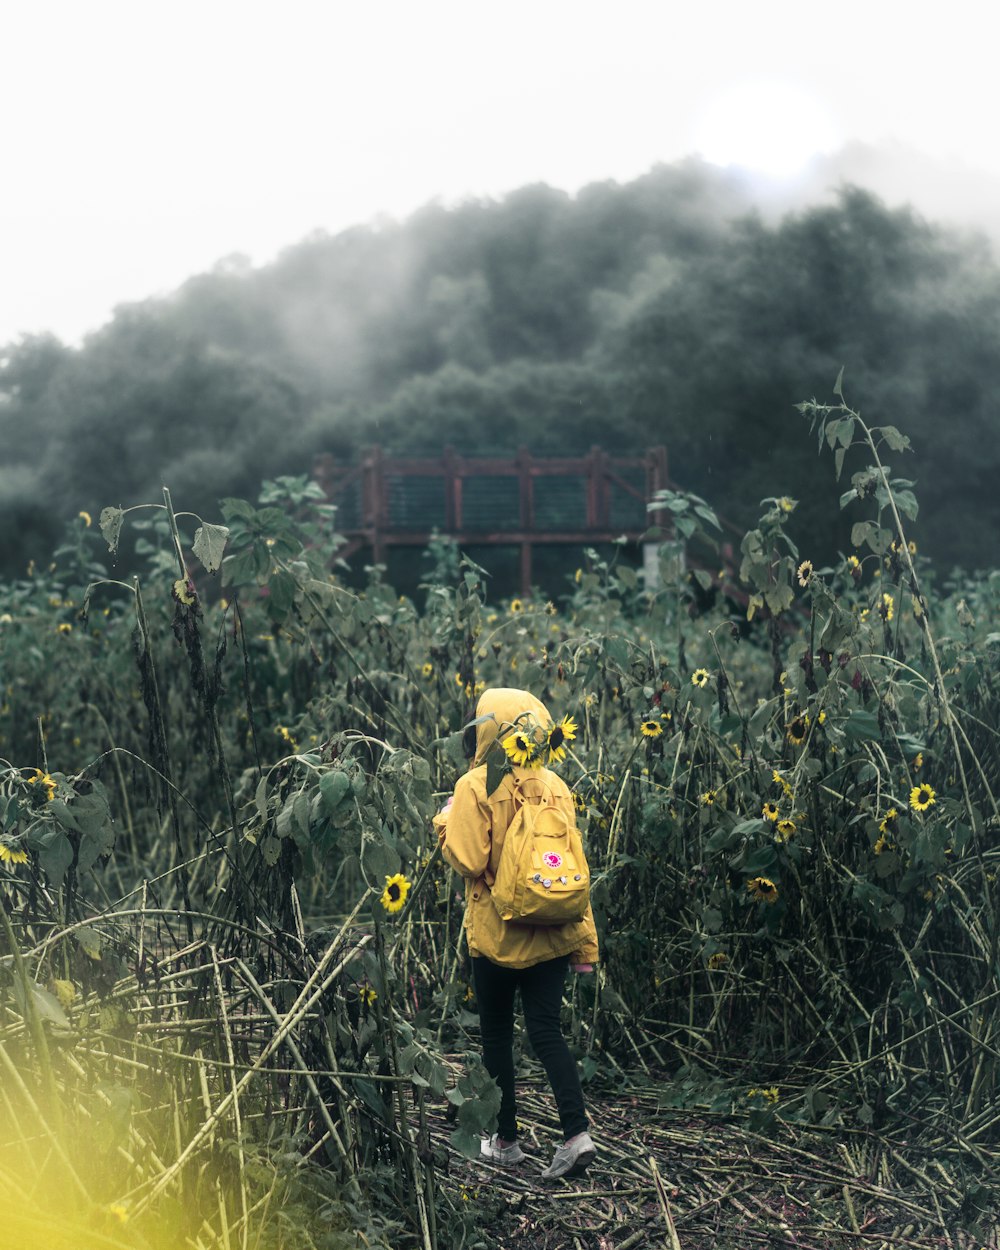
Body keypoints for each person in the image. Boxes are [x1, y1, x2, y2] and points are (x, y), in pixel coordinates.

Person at [435, 686, 599, 1180]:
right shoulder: (556, 785)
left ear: (489, 729)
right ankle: (577, 1134)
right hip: (552, 932)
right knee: (548, 1031)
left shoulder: (476, 785)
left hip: (497, 936)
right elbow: (571, 865)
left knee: (497, 1037)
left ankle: (505, 1141)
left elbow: (467, 859)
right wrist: (585, 946)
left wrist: (444, 822)